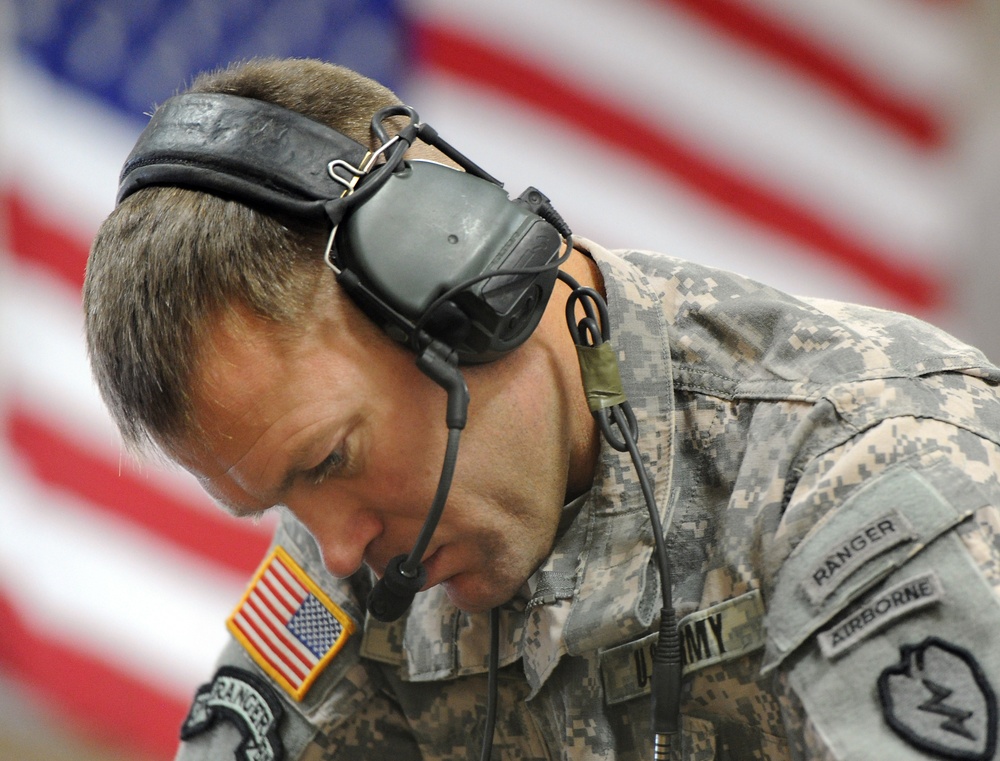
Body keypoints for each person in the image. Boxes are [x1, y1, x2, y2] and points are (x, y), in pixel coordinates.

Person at [83, 57, 1000, 761]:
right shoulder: (354, 556)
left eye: (327, 460)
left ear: (460, 289)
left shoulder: (867, 469)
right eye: (282, 498)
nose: (337, 550)